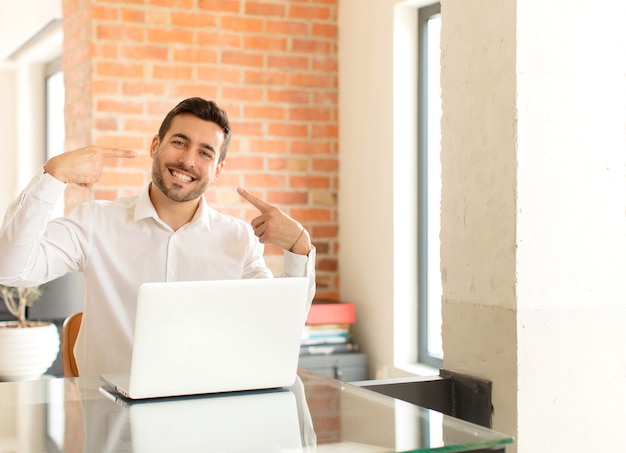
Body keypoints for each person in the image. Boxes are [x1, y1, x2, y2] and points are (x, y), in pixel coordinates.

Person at [0, 97, 315, 376]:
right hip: (113, 426)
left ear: (217, 170)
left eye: (205, 153)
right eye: (179, 142)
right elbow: (11, 269)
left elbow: (278, 333)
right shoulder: (96, 222)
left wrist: (299, 247)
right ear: (155, 146)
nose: (188, 160)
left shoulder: (238, 239)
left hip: (208, 419)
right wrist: (53, 175)